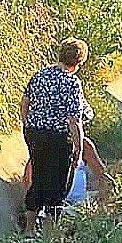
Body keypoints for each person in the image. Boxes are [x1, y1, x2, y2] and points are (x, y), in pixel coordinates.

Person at [19, 38, 94, 232]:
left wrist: (27, 124)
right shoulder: (72, 82)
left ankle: (29, 230)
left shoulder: (40, 74)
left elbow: (24, 102)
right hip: (58, 138)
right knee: (58, 185)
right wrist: (78, 149)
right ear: (79, 62)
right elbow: (74, 120)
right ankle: (49, 232)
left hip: (35, 133)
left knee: (39, 179)